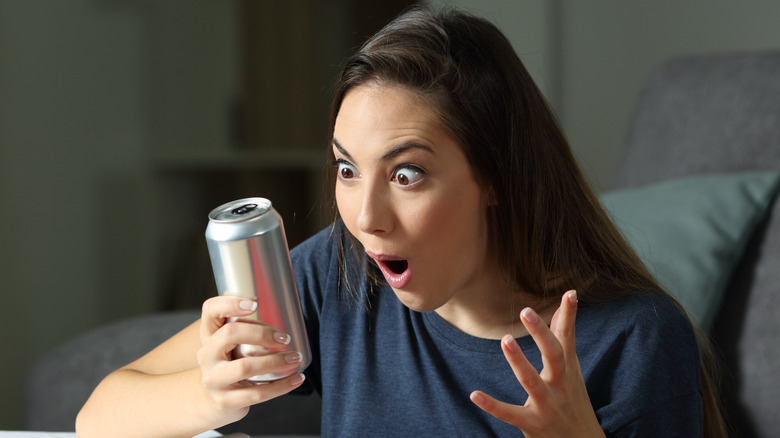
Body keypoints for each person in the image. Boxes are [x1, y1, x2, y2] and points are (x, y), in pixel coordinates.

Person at [77, 6, 728, 437]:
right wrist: (214, 397)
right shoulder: (338, 274)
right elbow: (98, 415)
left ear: (497, 174)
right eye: (347, 168)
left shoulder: (635, 340)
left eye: (407, 173)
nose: (365, 217)